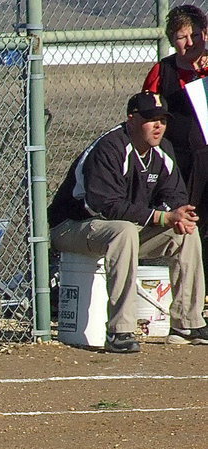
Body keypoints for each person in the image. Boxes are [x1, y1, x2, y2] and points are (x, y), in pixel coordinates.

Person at [48, 90, 208, 353]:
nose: (158, 126)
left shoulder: (162, 150)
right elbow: (103, 206)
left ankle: (186, 323)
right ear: (132, 119)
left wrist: (178, 215)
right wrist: (160, 216)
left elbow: (175, 195)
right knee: (123, 232)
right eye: (150, 118)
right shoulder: (110, 147)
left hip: (125, 229)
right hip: (72, 227)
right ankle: (120, 330)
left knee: (185, 233)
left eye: (163, 120)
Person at [143, 4, 208, 287]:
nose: (190, 42)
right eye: (182, 37)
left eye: (195, 34)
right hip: (178, 159)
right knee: (187, 219)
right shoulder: (163, 71)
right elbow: (147, 109)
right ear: (172, 40)